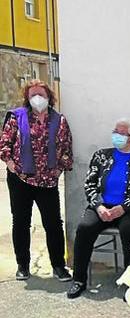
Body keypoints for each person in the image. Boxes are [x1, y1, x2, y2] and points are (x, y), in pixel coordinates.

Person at [67, 119, 130, 299]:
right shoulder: (101, 156)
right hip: (102, 206)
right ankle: (79, 280)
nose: (116, 135)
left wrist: (123, 208)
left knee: (129, 230)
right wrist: (99, 206)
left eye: (121, 133)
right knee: (84, 228)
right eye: (115, 131)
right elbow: (89, 185)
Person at [0, 79, 73, 281]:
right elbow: (5, 145)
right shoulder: (17, 117)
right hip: (20, 180)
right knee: (21, 222)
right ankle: (22, 265)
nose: (37, 98)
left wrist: (58, 170)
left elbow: (66, 148)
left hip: (48, 182)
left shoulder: (59, 120)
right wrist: (12, 166)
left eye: (41, 93)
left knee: (53, 224)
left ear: (49, 97)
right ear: (27, 98)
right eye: (33, 94)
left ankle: (58, 266)